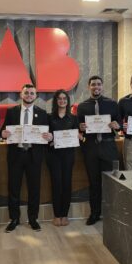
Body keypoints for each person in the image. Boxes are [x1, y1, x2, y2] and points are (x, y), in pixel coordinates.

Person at [1, 83, 52, 232]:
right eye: (26, 93)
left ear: (35, 96)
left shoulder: (42, 113)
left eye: (32, 93)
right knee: (13, 188)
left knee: (34, 188)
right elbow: (4, 131)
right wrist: (3, 134)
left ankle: (33, 219)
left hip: (34, 155)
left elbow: (47, 134)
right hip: (16, 155)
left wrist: (49, 136)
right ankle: (14, 218)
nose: (29, 95)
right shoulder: (12, 112)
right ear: (20, 95)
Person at [77, 76, 121, 226]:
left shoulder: (112, 104)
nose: (96, 87)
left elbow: (120, 122)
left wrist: (117, 125)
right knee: (94, 183)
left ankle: (112, 213)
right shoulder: (82, 106)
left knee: (111, 182)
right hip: (90, 147)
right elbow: (78, 127)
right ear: (88, 87)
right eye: (93, 84)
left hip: (108, 147)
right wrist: (80, 128)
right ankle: (94, 213)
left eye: (99, 84)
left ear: (102, 86)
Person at [47, 89, 80, 227]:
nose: (62, 101)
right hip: (53, 155)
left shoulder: (73, 118)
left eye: (64, 99)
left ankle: (64, 215)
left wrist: (80, 136)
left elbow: (79, 135)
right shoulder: (49, 117)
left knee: (67, 183)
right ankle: (56, 215)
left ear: (68, 101)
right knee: (56, 183)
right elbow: (45, 136)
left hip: (68, 155)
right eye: (59, 99)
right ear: (56, 101)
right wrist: (49, 139)